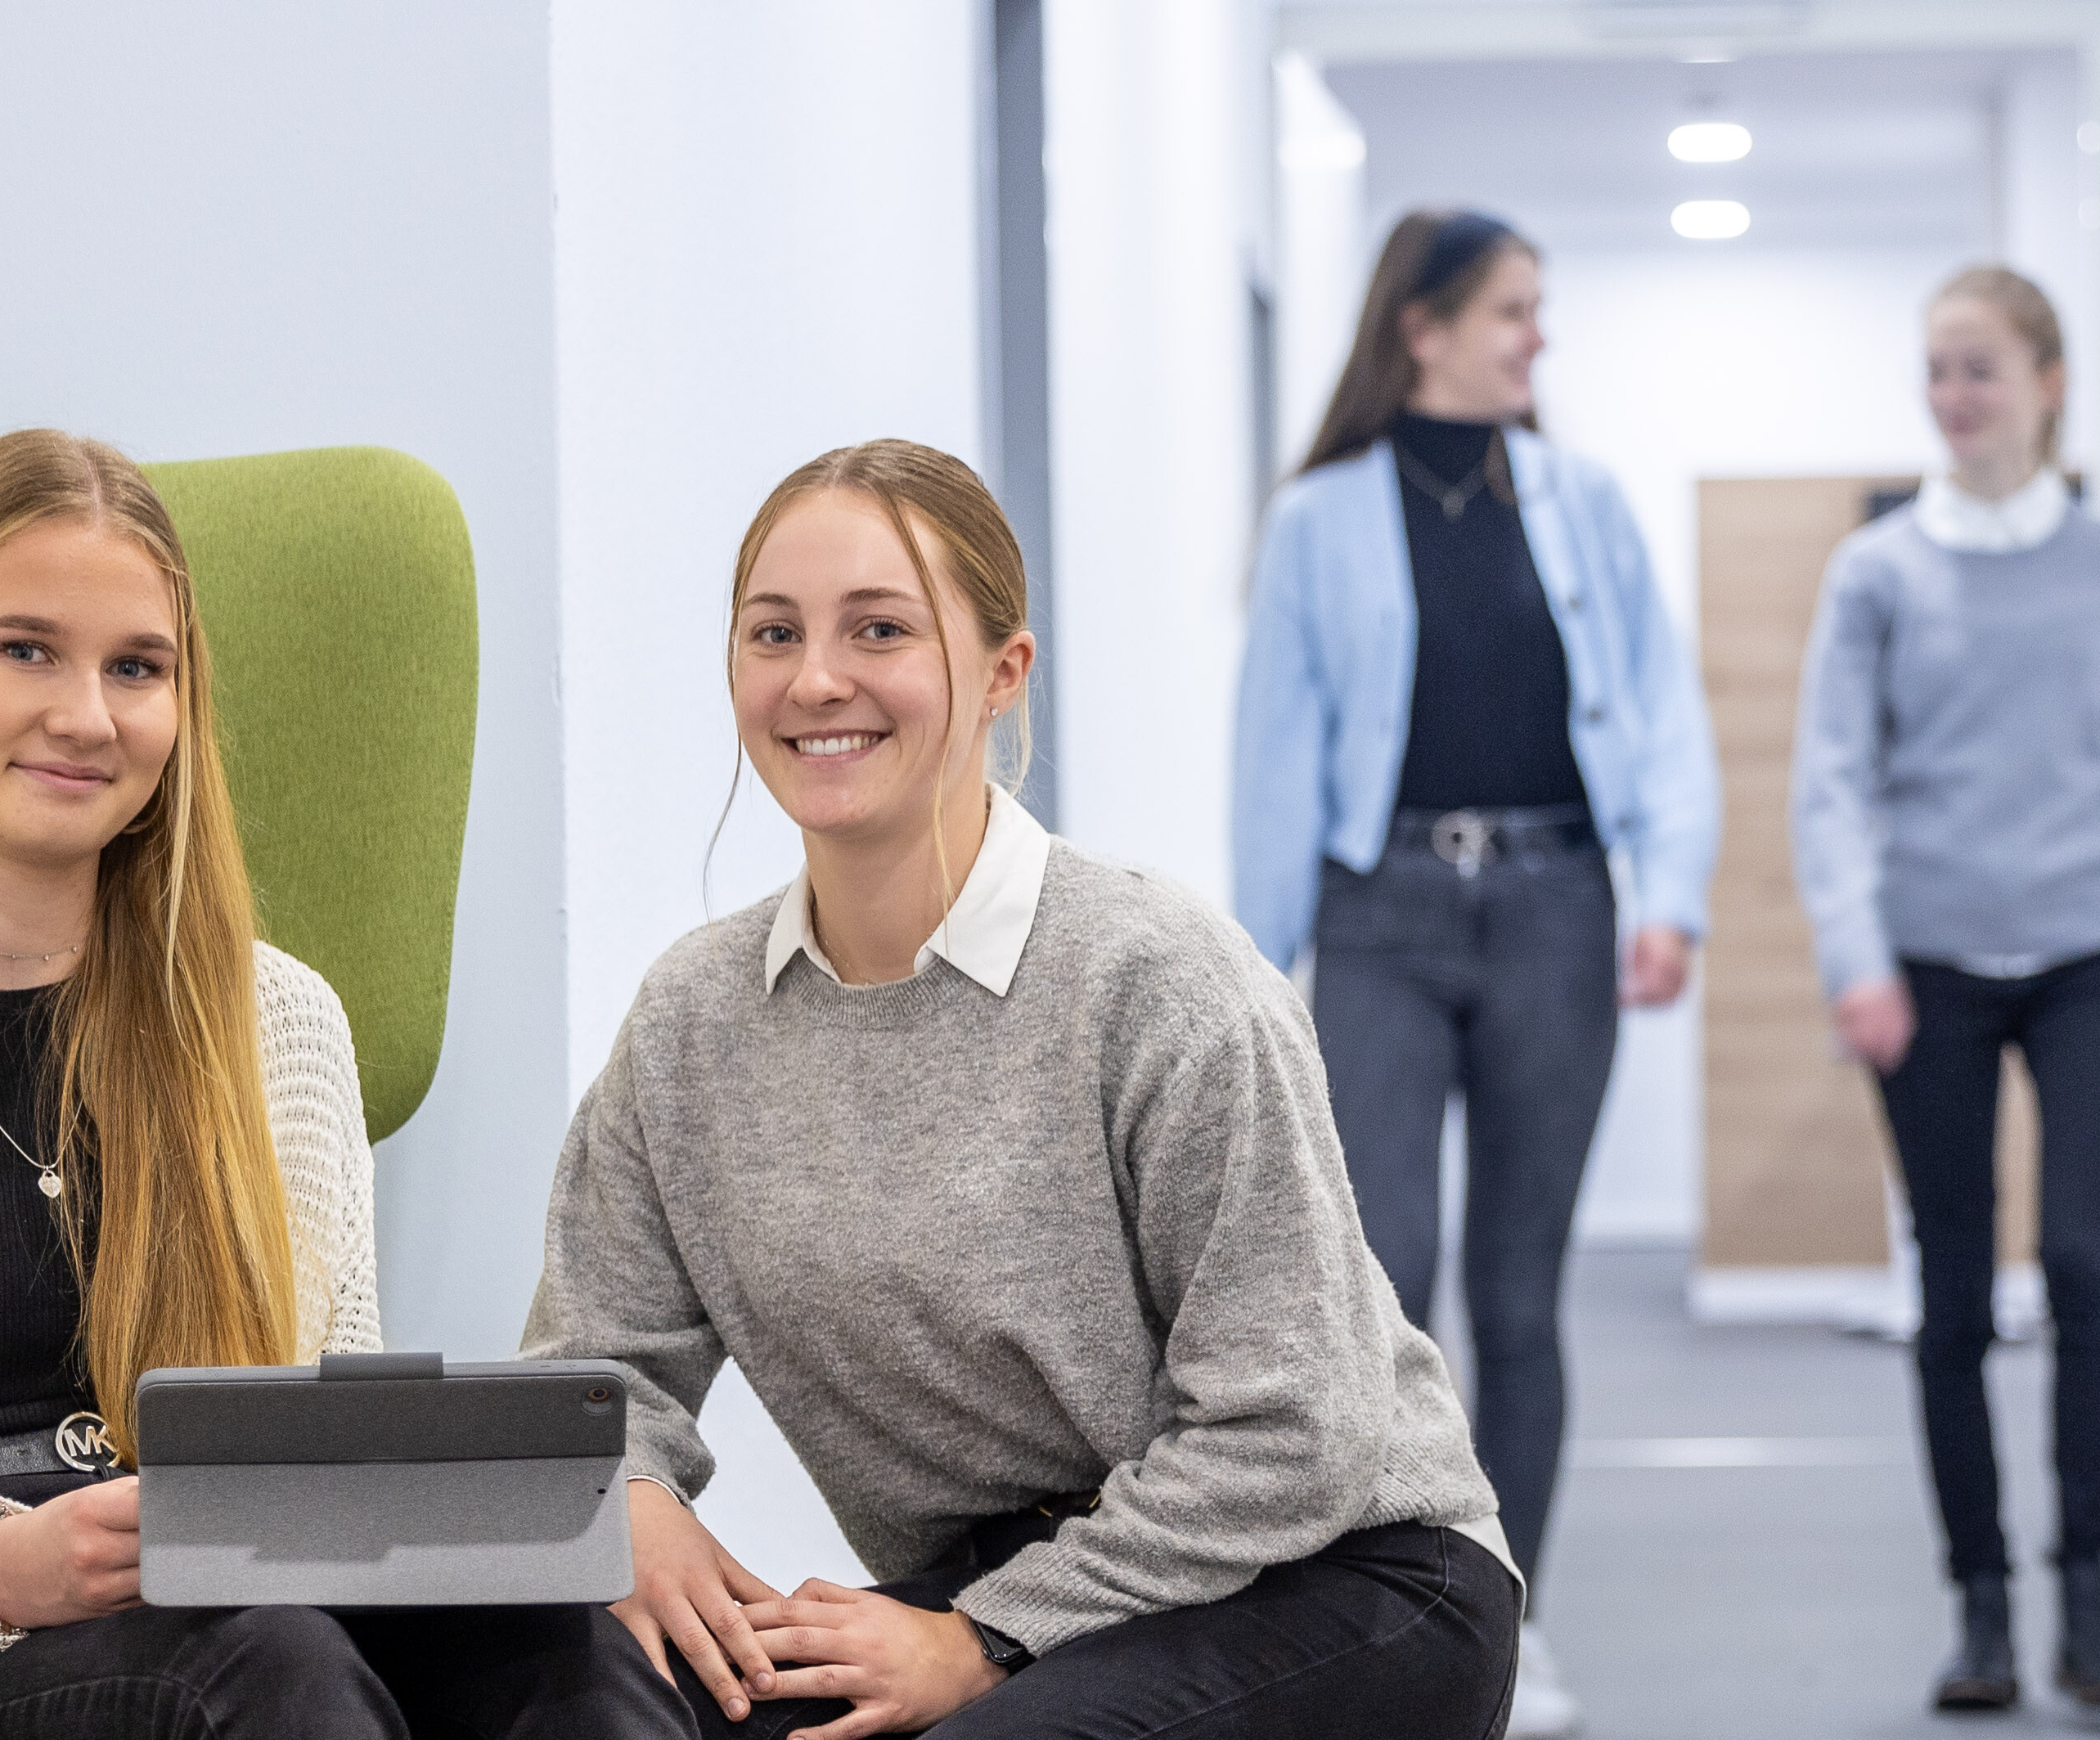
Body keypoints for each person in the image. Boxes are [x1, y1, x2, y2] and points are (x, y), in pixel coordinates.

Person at [0, 429, 683, 1740]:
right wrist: (3, 1570)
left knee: (571, 1655)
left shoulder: (278, 1026)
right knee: (258, 1668)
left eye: (136, 668)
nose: (88, 717)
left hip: (235, 1624)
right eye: (26, 650)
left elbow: (338, 1498)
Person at [524, 439, 1522, 1740]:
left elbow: (1295, 1433)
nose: (815, 679)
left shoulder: (1160, 980)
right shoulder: (691, 1022)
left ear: (1004, 672)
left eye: (879, 629)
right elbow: (592, 1372)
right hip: (1016, 1581)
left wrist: (984, 1638)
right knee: (579, 1690)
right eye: (774, 633)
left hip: (1342, 1571)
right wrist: (635, 1496)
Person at [1226, 206, 1717, 1740]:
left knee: (1519, 1290)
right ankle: (1390, 1628)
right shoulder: (1319, 519)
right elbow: (1277, 753)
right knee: (1385, 1281)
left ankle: (1513, 1628)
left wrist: (1671, 894)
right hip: (1379, 916)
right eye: (1513, 310)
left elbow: (1661, 710)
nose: (1536, 338)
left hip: (1557, 905)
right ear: (1423, 325)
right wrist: (1254, 970)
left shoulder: (1584, 501)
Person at [1788, 266, 2100, 1713]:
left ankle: (2090, 1599)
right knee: (1953, 1292)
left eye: (1980, 367)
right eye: (1937, 368)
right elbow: (1830, 785)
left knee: (2078, 1262)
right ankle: (1982, 1610)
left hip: (2093, 954)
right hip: (1927, 966)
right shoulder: (1877, 574)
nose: (1954, 395)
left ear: (2048, 383)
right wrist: (1858, 961)